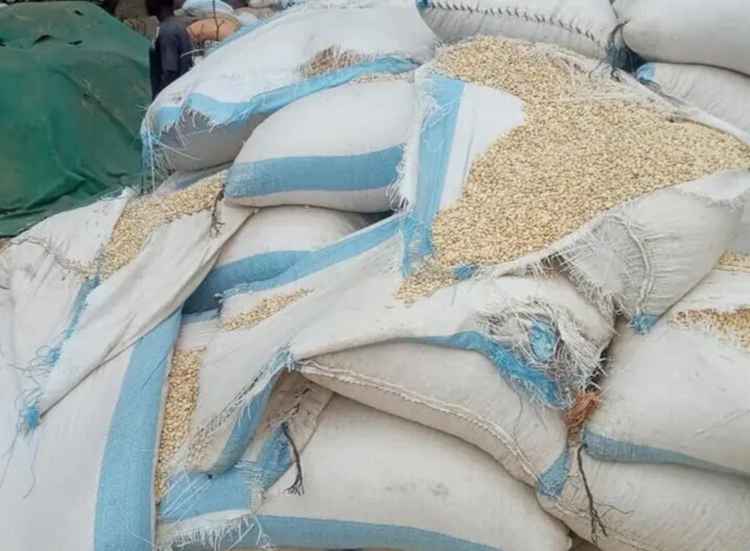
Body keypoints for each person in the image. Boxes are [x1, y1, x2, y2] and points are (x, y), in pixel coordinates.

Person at [146, 0, 195, 98]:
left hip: (170, 97)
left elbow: (170, 70)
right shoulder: (176, 26)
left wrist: (159, 99)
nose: (146, 4)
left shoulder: (167, 31)